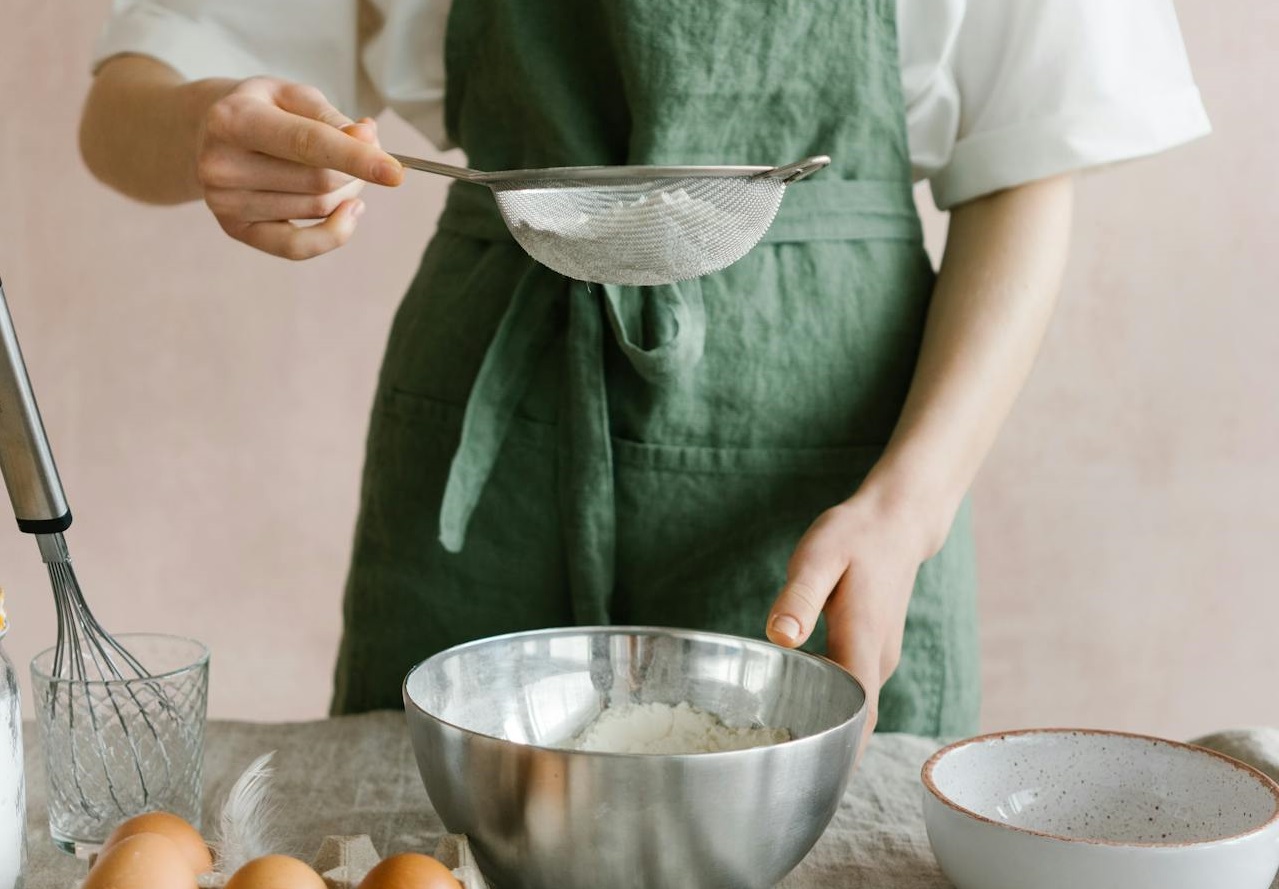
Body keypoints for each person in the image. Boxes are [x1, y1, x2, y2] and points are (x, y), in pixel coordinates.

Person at [79, 0, 1208, 739]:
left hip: (843, 467)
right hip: (492, 449)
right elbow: (139, 87)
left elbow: (1024, 164)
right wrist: (204, 130)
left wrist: (908, 506)